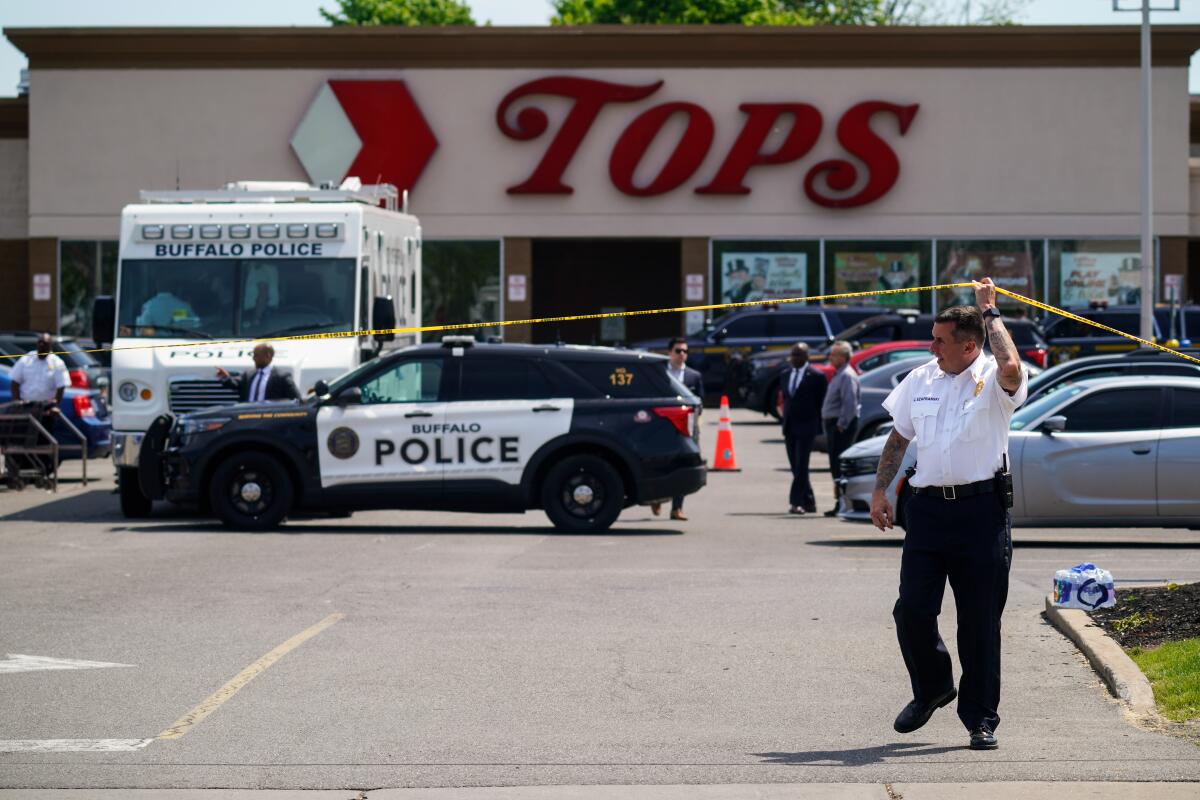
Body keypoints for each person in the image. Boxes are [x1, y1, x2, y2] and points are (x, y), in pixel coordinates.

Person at [870, 278, 1026, 752]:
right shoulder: (920, 379)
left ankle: (980, 718)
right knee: (912, 610)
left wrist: (991, 310)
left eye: (940, 340)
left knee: (979, 622)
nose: (932, 347)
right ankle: (933, 686)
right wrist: (881, 490)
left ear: (969, 345)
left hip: (982, 513)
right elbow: (899, 438)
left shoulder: (993, 381)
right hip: (929, 510)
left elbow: (1013, 366)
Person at [652, 336, 703, 521]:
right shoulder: (661, 374)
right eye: (678, 351)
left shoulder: (694, 376)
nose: (682, 354)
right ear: (670, 353)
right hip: (662, 427)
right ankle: (656, 498)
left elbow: (700, 403)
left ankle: (677, 508)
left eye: (685, 351)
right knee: (659, 465)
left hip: (685, 428)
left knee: (682, 466)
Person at [8, 333, 69, 480]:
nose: (42, 346)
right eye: (40, 343)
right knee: (21, 440)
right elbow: (15, 382)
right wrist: (17, 402)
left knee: (43, 441)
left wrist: (55, 404)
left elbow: (61, 387)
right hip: (26, 407)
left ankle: (44, 471)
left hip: (45, 409)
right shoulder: (26, 360)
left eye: (45, 344)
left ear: (50, 346)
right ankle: (21, 470)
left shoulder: (56, 362)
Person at [780, 342, 826, 515]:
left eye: (798, 355)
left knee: (801, 466)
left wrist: (818, 426)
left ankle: (796, 502)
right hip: (790, 426)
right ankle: (810, 501)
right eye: (792, 354)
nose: (794, 358)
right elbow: (786, 399)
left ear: (807, 357)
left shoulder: (816, 376)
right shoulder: (785, 374)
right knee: (795, 466)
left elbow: (821, 402)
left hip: (807, 427)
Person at [821, 340, 861, 517]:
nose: (830, 357)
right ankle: (840, 502)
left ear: (843, 357)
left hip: (840, 426)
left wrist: (841, 424)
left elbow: (850, 404)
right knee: (834, 466)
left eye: (834, 354)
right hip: (833, 424)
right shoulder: (839, 374)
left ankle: (844, 503)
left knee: (840, 466)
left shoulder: (846, 375)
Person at [215, 343, 301, 403]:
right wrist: (226, 377)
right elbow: (235, 384)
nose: (253, 358)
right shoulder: (249, 374)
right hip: (246, 416)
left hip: (269, 418)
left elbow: (296, 399)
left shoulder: (281, 377)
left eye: (256, 355)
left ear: (268, 356)